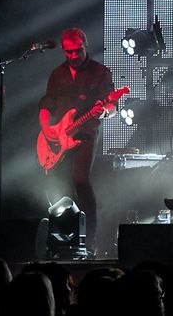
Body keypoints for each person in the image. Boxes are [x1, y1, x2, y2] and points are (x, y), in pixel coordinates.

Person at [37, 28, 116, 251]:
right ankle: (65, 241)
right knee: (62, 189)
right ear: (64, 50)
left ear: (86, 45)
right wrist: (46, 128)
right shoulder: (57, 74)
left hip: (86, 133)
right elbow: (47, 104)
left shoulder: (100, 72)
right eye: (69, 52)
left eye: (78, 51)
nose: (74, 56)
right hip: (57, 137)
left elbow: (111, 103)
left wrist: (105, 111)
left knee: (81, 181)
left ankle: (88, 243)